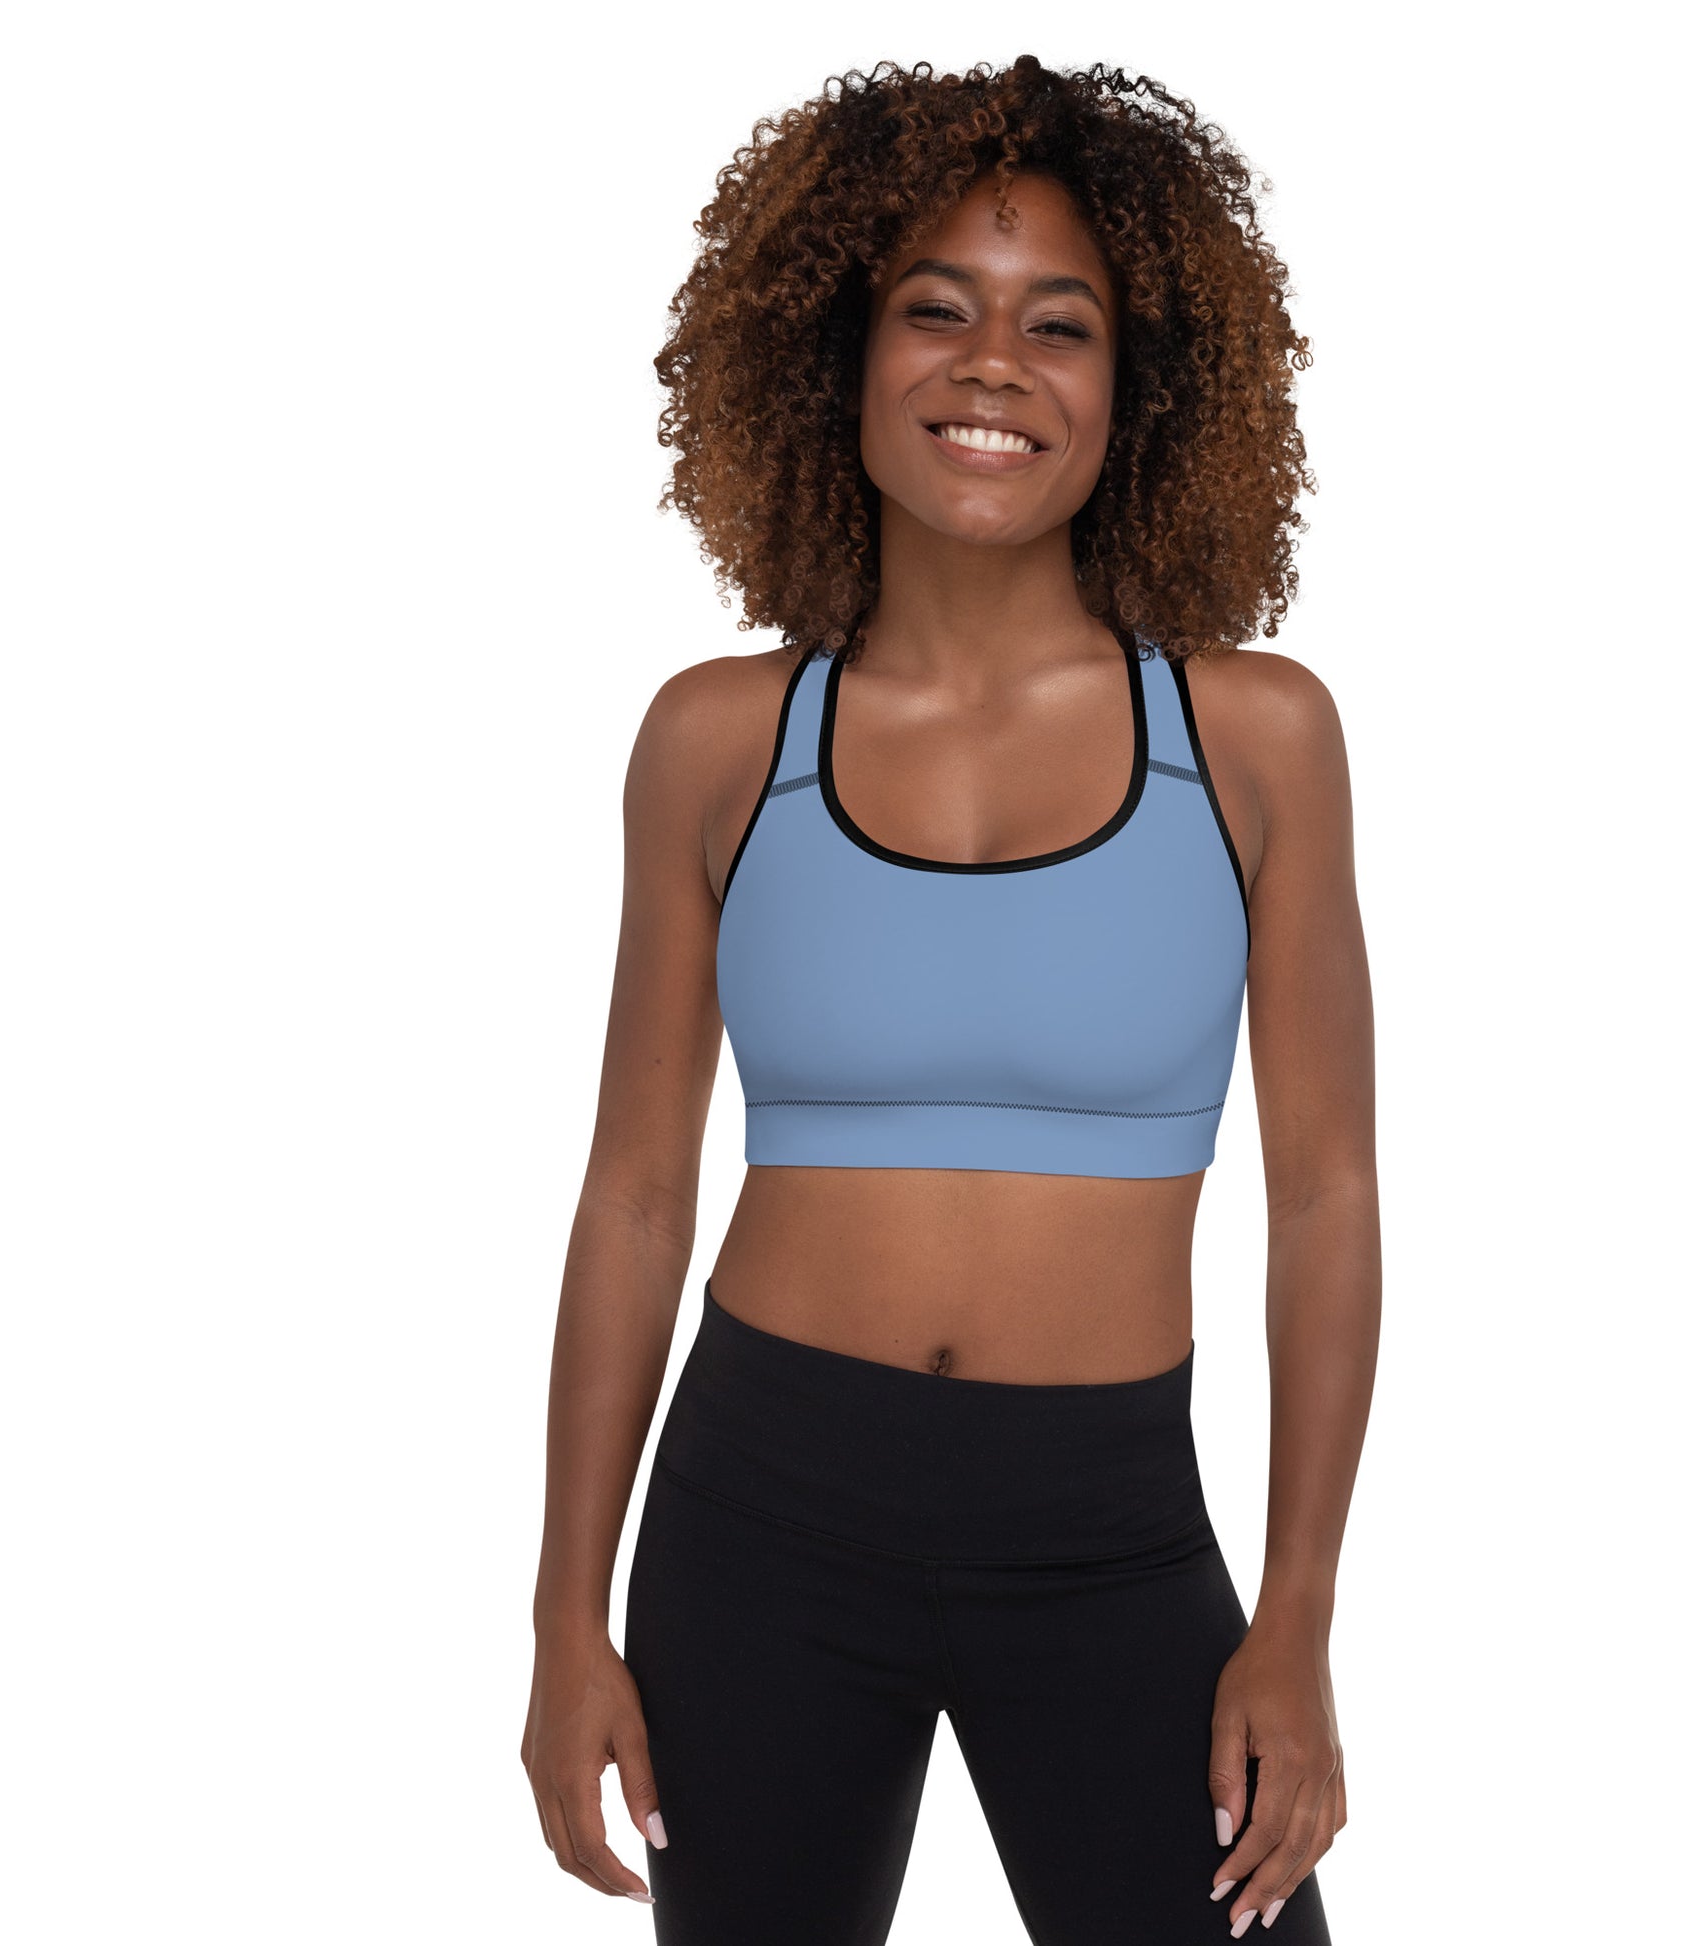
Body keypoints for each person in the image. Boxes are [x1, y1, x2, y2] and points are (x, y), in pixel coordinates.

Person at [520, 55, 1379, 1946]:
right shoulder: (718, 741)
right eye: (936, 309)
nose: (994, 363)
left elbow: (1324, 1198)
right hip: (756, 1520)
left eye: (1058, 324)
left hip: (1110, 1527)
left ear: (1137, 390)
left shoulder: (1252, 739)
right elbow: (635, 1195)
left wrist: (1297, 1616)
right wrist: (565, 1615)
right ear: (837, 355)